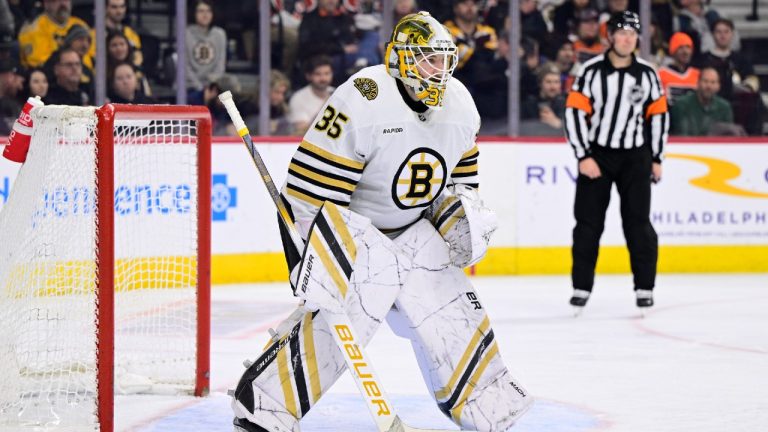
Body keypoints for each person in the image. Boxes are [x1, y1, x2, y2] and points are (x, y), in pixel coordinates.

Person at [231, 11, 532, 432]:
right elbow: (308, 190)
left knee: (452, 310)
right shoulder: (364, 96)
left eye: (445, 60)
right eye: (429, 59)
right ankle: (262, 406)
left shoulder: (460, 104)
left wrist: (463, 221)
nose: (440, 71)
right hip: (357, 233)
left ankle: (487, 407)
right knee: (341, 323)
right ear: (403, 59)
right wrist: (312, 253)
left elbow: (461, 184)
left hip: (414, 230)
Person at [564, 11, 669, 311]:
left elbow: (659, 116)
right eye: (621, 33)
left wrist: (657, 157)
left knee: (638, 223)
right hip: (598, 154)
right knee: (587, 224)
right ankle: (581, 287)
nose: (627, 39)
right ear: (610, 36)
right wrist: (583, 155)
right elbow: (573, 112)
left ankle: (644, 287)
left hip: (635, 156)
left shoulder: (648, 74)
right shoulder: (591, 71)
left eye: (632, 34)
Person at [18, 0, 89, 68]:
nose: (62, 4)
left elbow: (93, 56)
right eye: (56, 0)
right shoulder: (34, 29)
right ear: (46, 3)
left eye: (65, 0)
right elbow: (42, 65)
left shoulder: (81, 25)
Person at [669, 67, 739, 136]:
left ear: (718, 86)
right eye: (705, 81)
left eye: (713, 82)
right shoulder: (682, 105)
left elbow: (729, 135)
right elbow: (681, 134)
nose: (709, 86)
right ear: (698, 83)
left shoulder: (724, 108)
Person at [185, 0, 226, 105]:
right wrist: (202, 90)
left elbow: (220, 65)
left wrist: (212, 87)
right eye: (201, 11)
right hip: (190, 87)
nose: (205, 14)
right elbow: (185, 67)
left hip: (213, 87)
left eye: (208, 11)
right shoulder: (185, 33)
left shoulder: (220, 34)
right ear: (194, 13)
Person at [288, 54, 334, 135]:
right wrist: (325, 107)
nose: (323, 78)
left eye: (327, 73)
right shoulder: (298, 98)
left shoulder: (337, 93)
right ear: (308, 76)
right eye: (318, 74)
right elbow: (301, 132)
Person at [520, 62, 566, 136]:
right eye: (548, 82)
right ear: (540, 83)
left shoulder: (566, 104)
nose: (553, 87)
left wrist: (559, 124)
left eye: (556, 82)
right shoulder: (528, 104)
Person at [658, 32, 699, 105]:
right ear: (673, 51)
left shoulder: (698, 75)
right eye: (680, 47)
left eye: (688, 47)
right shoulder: (661, 74)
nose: (685, 51)